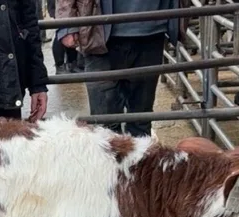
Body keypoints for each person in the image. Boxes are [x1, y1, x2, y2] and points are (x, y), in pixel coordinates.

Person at [55, 0, 177, 137]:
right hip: (98, 34)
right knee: (104, 125)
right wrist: (66, 24)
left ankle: (139, 156)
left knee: (141, 120)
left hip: (152, 31)